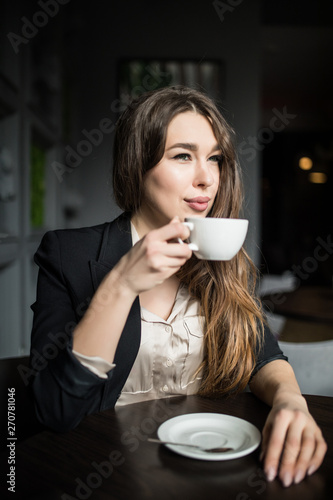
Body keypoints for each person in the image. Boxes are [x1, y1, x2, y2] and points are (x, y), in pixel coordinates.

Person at [30, 85, 326, 488]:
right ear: (138, 164)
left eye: (216, 159)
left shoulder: (221, 259)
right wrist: (120, 284)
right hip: (103, 473)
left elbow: (261, 354)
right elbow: (54, 410)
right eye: (183, 156)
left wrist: (292, 400)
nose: (207, 178)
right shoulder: (68, 253)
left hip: (211, 469)